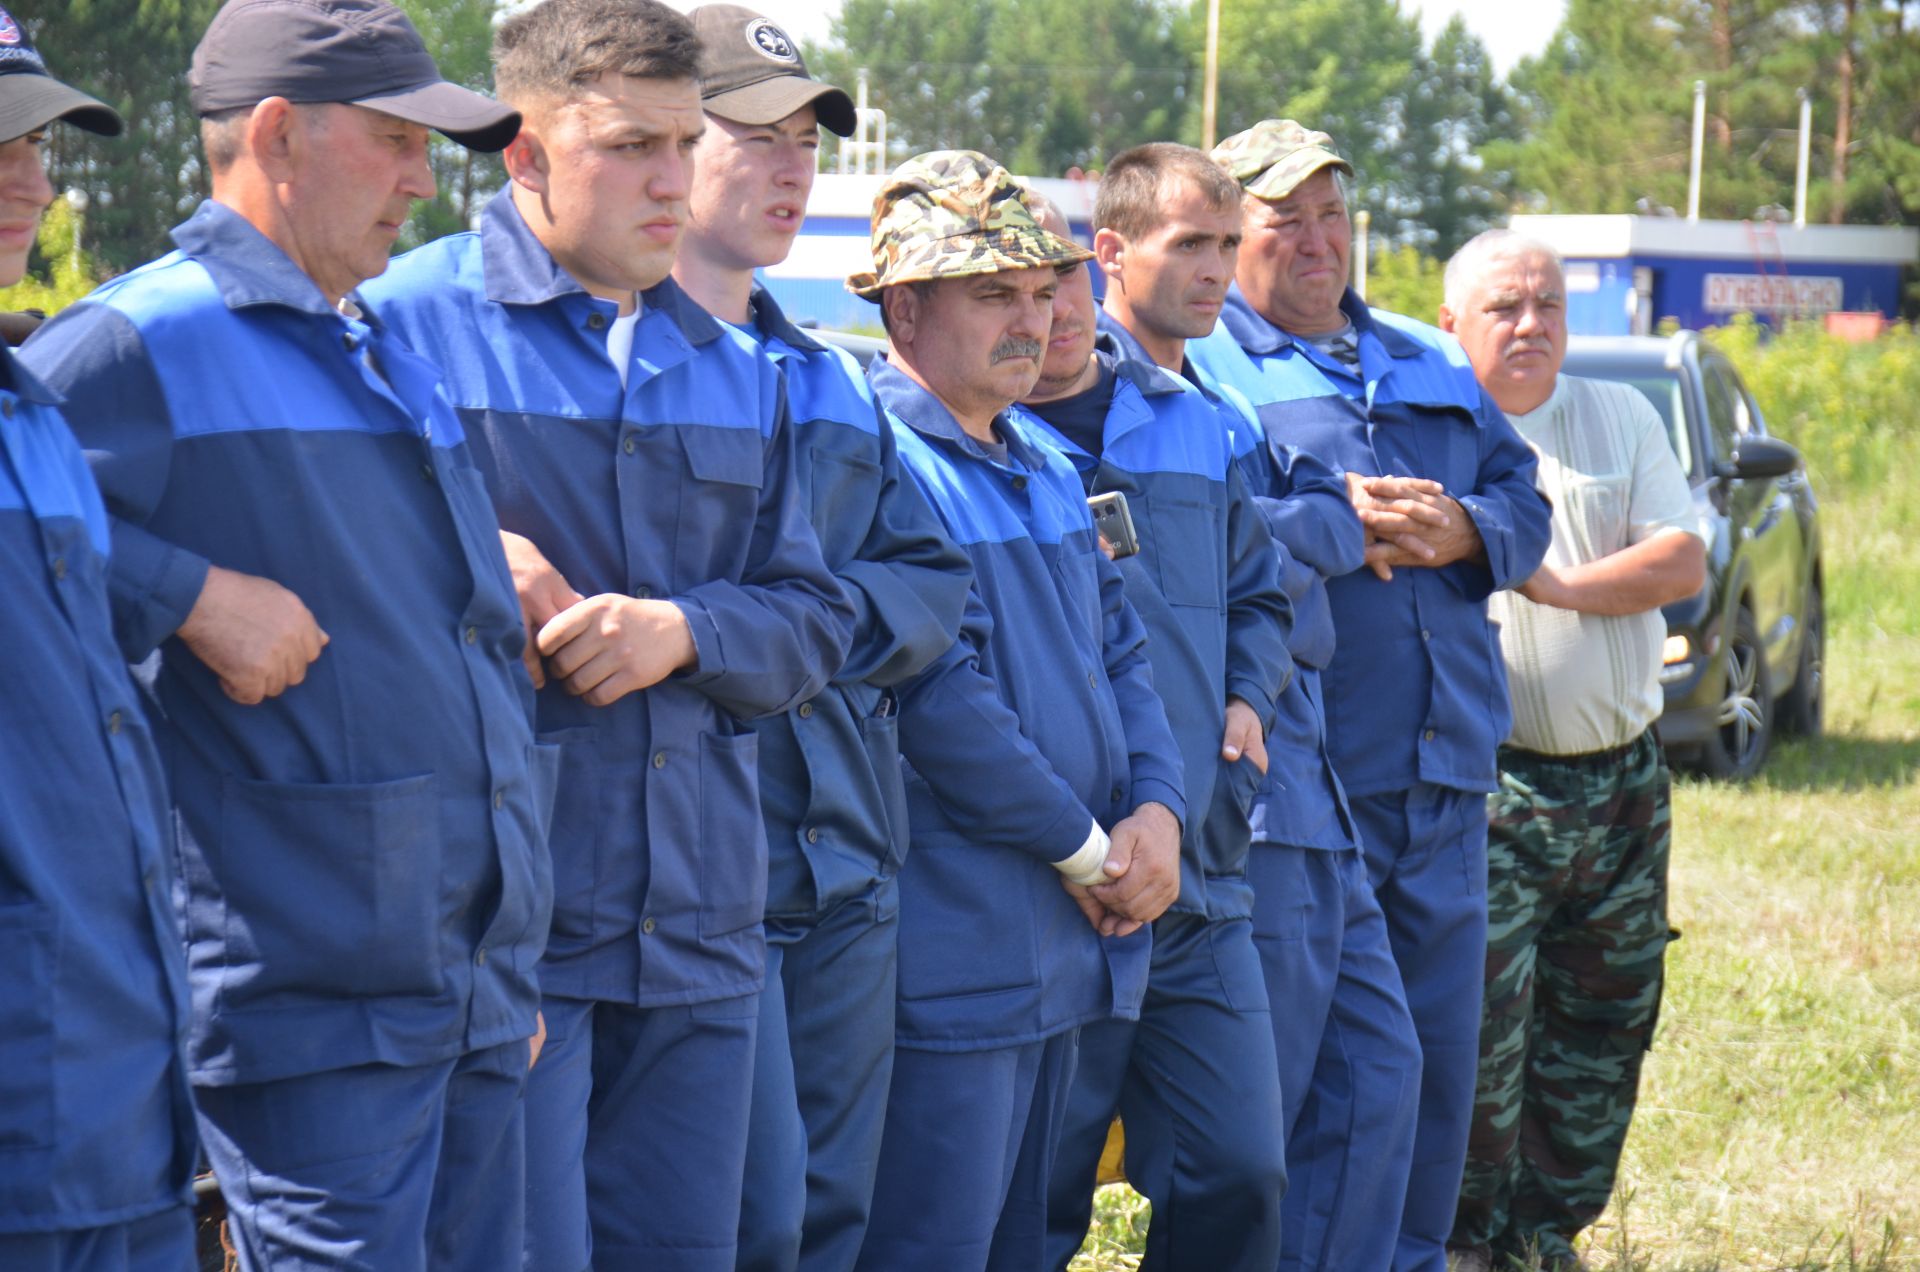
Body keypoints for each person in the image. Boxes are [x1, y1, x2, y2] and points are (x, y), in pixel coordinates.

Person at [20, 2, 551, 1268]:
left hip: (457, 985)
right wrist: (187, 594)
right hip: (308, 993)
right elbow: (22, 521)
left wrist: (501, 958)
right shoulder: (141, 338)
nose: (425, 183)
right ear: (277, 137)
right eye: (393, 143)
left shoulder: (373, 341)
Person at [360, 2, 854, 1267]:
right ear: (523, 152)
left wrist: (682, 631)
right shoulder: (394, 329)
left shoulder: (740, 365)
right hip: (500, 936)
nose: (671, 181)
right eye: (631, 145)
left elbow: (817, 620)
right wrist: (467, 558)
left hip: (700, 932)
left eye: (684, 145)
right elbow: (311, 594)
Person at [1187, 119, 1553, 1272]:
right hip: (1305, 786)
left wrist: (1462, 530)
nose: (1315, 238)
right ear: (1232, 232)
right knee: (1313, 1078)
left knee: (1434, 1071)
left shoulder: (1425, 359)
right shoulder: (1206, 365)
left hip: (1443, 776)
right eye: (1284, 215)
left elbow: (1522, 502)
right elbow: (1213, 537)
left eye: (1332, 212)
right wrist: (1344, 526)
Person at [670, 9, 975, 1270]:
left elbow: (928, 581)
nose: (792, 166)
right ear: (658, 142)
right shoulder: (611, 373)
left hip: (842, 861)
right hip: (691, 869)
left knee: (825, 1219)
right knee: (718, 1220)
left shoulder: (832, 383)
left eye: (806, 139)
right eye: (754, 134)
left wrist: (796, 626)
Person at [846, 149, 1186, 1271]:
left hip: (1080, 944)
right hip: (964, 947)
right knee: (933, 1243)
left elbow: (1124, 650)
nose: (1033, 320)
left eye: (1044, 293)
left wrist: (1161, 817)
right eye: (994, 293)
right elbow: (941, 700)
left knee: (1036, 1244)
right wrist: (1094, 853)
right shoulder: (876, 461)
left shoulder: (1046, 457)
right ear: (904, 308)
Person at [1090, 139, 1426, 1271]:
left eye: (1227, 245)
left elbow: (1265, 563)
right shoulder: (1074, 392)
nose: (1216, 268)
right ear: (1113, 250)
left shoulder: (1214, 405)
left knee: (1370, 1080)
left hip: (1271, 773)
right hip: (1156, 812)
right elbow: (1167, 575)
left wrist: (1248, 681)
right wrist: (1316, 531)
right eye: (1194, 242)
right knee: (1132, 1160)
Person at [1017, 188, 1295, 1272]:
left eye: (1063, 278)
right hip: (1043, 889)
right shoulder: (964, 439)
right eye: (1019, 289)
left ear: (1098, 267)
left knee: (1239, 1172)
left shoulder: (1198, 419)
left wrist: (1247, 697)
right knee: (1031, 1201)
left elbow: (1263, 598)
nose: (1056, 307)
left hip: (1194, 875)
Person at [1438, 229, 1705, 1272]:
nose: (1531, 324)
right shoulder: (1431, 431)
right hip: (1490, 789)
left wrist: (1547, 579)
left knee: (1604, 1019)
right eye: (1505, 307)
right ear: (1453, 320)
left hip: (1624, 785)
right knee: (1481, 1035)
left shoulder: (1617, 415)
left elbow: (1678, 558)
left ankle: (1546, 1237)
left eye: (1547, 304)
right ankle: (1466, 1242)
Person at [0, 24, 199, 1271]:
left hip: (114, 1110)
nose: (33, 180)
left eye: (34, 145)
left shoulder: (38, 418)